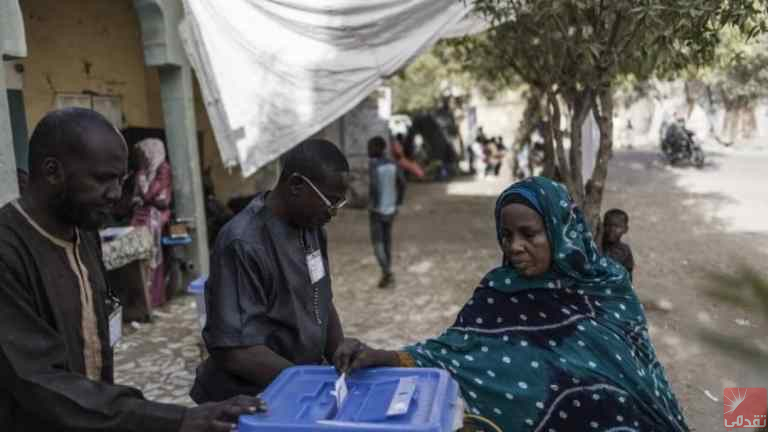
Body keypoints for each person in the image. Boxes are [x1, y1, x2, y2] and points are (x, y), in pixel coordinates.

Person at [334, 177, 688, 431]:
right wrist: (380, 356)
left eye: (529, 234)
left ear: (559, 230)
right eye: (506, 236)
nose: (515, 246)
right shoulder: (497, 291)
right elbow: (453, 353)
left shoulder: (608, 285)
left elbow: (642, 373)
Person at [0, 107, 265, 432]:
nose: (115, 194)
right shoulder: (7, 251)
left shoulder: (84, 234)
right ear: (52, 171)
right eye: (102, 179)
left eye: (120, 179)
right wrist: (176, 419)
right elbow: (38, 380)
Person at [191, 138, 358, 403]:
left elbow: (321, 297)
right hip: (249, 397)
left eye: (339, 204)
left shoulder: (311, 228)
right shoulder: (243, 243)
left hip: (296, 382)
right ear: (296, 185)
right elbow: (237, 350)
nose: (333, 214)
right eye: (330, 202)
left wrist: (339, 351)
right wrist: (309, 383)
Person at [130, 138, 173, 306]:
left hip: (156, 216)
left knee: (151, 255)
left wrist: (140, 177)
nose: (142, 158)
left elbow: (148, 194)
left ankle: (153, 298)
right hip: (143, 213)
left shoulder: (163, 169)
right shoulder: (147, 170)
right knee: (139, 255)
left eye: (145, 154)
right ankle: (143, 298)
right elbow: (137, 198)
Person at [368, 136, 406, 288]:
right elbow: (403, 184)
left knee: (378, 244)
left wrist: (375, 204)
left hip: (377, 211)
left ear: (377, 148)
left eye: (370, 148)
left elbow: (375, 186)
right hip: (390, 210)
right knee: (387, 242)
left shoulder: (374, 165)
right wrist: (398, 203)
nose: (368, 151)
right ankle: (386, 276)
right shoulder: (393, 164)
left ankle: (387, 271)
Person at [602, 208, 635, 280]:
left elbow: (628, 275)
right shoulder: (595, 244)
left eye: (617, 226)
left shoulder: (625, 250)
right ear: (602, 226)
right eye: (608, 225)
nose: (611, 230)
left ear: (625, 229)